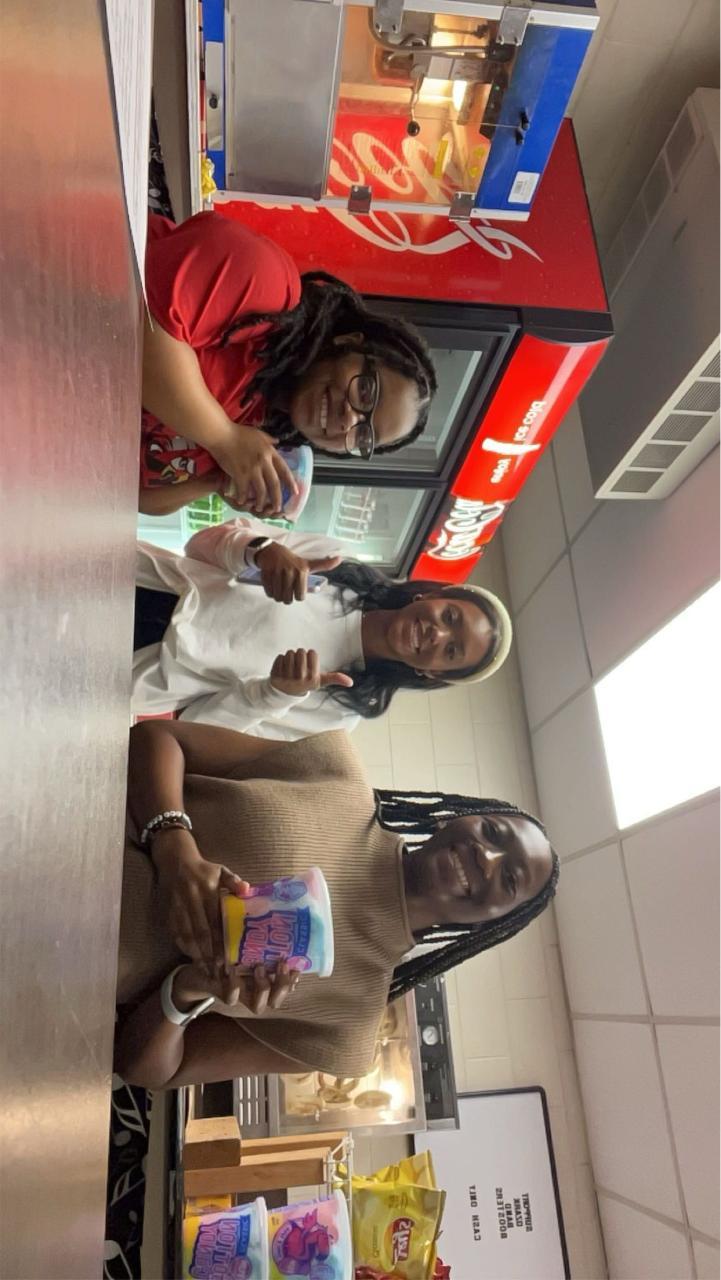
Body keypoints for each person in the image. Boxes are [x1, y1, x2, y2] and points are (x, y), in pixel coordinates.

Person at [114, 719, 558, 1089]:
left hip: (77, 988)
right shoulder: (335, 769)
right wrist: (172, 845)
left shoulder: (348, 1027)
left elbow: (143, 1068)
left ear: (487, 925)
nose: (487, 857)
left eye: (509, 878)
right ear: (458, 817)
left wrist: (189, 990)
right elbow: (157, 739)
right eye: (493, 833)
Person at [140, 212, 437, 516]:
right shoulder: (266, 282)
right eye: (366, 391)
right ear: (349, 341)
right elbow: (136, 321)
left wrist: (217, 481)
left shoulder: (258, 429)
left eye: (363, 435)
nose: (349, 420)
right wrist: (223, 438)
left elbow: (136, 497)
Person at [132, 517, 513, 736]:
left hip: (129, 673)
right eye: (450, 617)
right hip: (132, 574)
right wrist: (261, 551)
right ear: (431, 596)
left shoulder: (339, 713)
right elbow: (200, 545)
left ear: (432, 674)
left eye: (451, 650)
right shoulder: (337, 564)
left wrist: (274, 694)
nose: (437, 633)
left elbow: (195, 727)